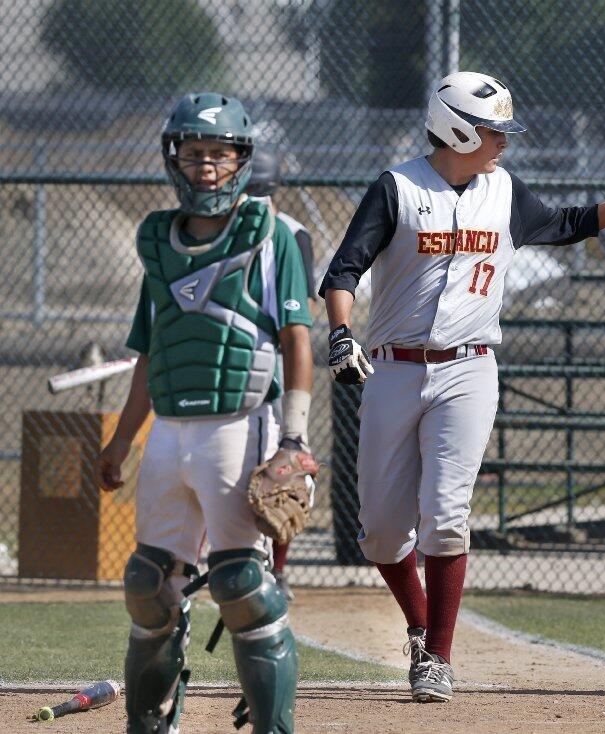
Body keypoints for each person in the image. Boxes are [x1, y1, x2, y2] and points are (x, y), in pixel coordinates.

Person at [319, 70, 605, 703]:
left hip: (469, 369)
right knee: (378, 530)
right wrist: (342, 332)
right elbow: (344, 269)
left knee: (447, 515)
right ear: (457, 129)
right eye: (492, 130)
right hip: (395, 368)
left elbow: (570, 223)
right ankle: (419, 625)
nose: (503, 142)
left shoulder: (502, 190)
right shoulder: (398, 188)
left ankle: (437, 656)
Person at [96, 92, 314, 732]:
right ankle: (151, 721)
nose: (207, 166)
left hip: (239, 423)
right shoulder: (158, 245)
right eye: (194, 154)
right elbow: (150, 351)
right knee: (147, 585)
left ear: (242, 160)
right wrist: (122, 442)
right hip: (169, 432)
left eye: (220, 154)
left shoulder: (270, 235)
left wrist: (293, 439)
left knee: (241, 584)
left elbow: (297, 340)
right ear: (175, 160)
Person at [245, 145, 319, 602]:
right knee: (270, 472)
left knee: (282, 476)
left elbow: (302, 311)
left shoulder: (292, 233)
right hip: (261, 363)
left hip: (276, 365)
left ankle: (278, 569)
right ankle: (263, 565)